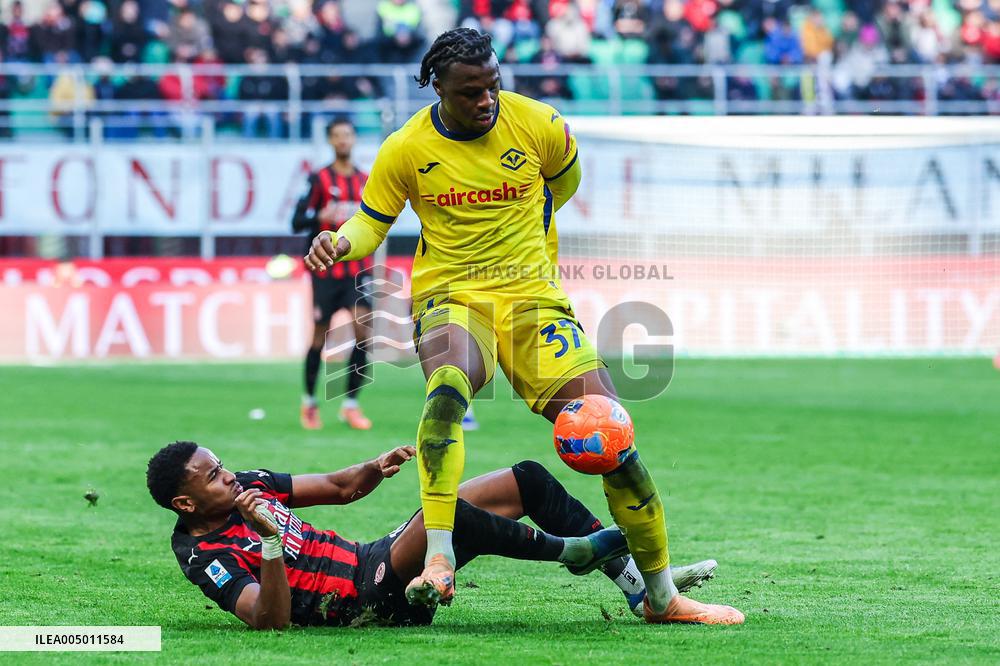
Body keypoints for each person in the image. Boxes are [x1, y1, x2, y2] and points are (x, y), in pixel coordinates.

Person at [302, 28, 744, 625]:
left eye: (493, 85)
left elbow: (563, 185)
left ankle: (662, 597)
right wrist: (337, 241)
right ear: (438, 88)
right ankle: (438, 556)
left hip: (534, 303)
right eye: (470, 92)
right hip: (450, 297)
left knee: (612, 434)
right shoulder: (407, 148)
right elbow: (370, 224)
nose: (487, 100)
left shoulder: (541, 125)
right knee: (447, 393)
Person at [146, 441, 720, 628]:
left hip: (373, 559)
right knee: (450, 515)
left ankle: (641, 594)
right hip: (360, 601)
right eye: (215, 476)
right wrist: (269, 540)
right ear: (185, 501)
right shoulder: (201, 552)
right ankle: (575, 553)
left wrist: (374, 467)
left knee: (525, 480)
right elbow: (267, 618)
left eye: (223, 467)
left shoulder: (249, 485)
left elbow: (339, 487)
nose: (230, 475)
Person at [291, 118, 373, 431]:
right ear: (330, 141)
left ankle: (351, 405)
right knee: (318, 336)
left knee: (364, 334)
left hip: (356, 271)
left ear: (353, 140)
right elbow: (296, 221)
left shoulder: (366, 180)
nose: (343, 141)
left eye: (348, 135)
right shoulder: (319, 179)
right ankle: (309, 403)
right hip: (325, 272)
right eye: (337, 136)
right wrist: (317, 217)